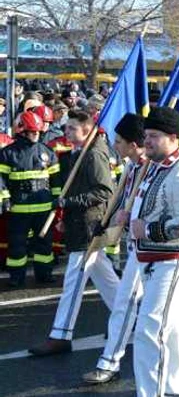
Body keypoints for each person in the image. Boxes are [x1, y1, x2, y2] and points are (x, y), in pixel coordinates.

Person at [126, 107, 179, 396]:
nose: (147, 141)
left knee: (149, 332)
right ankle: (178, 391)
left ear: (173, 138)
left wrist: (145, 229)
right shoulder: (156, 168)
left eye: (154, 136)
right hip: (151, 261)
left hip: (171, 263)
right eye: (146, 135)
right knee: (170, 333)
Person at [30, 110, 119, 356]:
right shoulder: (78, 154)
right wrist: (66, 217)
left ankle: (61, 334)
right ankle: (130, 317)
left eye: (71, 128)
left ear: (86, 130)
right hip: (79, 223)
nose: (66, 132)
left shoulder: (94, 155)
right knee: (108, 281)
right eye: (66, 127)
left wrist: (70, 204)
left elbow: (104, 192)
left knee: (74, 281)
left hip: (89, 226)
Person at [82, 113, 148, 384]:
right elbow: (121, 197)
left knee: (125, 303)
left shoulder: (149, 168)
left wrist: (130, 216)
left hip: (151, 251)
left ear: (134, 144)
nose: (115, 145)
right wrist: (108, 221)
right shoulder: (132, 167)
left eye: (119, 141)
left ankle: (110, 362)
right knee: (134, 306)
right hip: (134, 248)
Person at [0, 112, 60, 287]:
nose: (36, 135)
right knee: (17, 245)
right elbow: (1, 180)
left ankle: (44, 273)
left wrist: (57, 199)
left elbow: (55, 180)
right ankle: (16, 277)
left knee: (44, 245)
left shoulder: (47, 153)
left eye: (37, 132)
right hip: (19, 208)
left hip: (43, 207)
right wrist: (4, 199)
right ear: (22, 131)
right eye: (32, 132)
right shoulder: (7, 153)